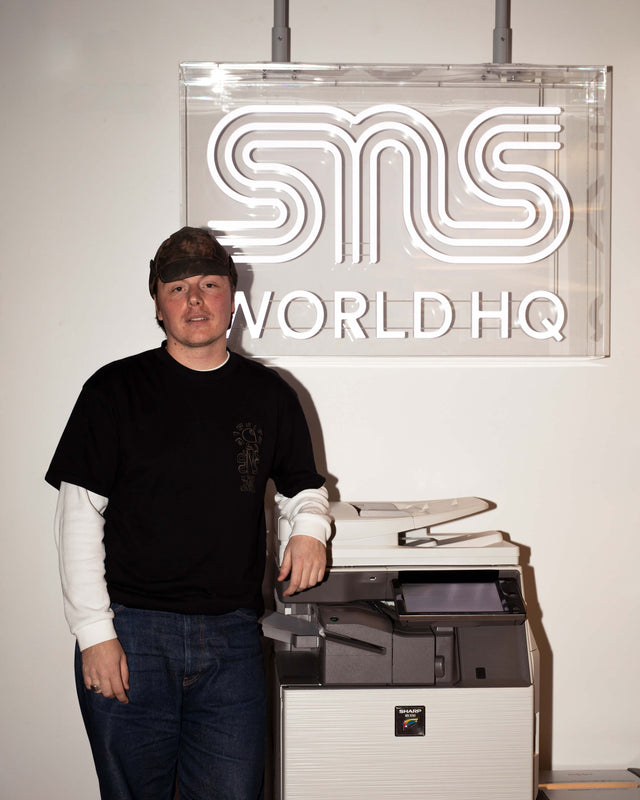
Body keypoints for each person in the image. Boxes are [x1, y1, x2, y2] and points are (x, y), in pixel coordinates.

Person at [45, 226, 331, 800]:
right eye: (177, 288)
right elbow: (77, 517)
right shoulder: (113, 390)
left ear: (232, 297)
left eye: (209, 284)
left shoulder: (269, 393)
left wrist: (309, 530)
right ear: (158, 304)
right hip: (132, 634)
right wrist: (94, 633)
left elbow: (303, 486)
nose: (194, 300)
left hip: (232, 639)